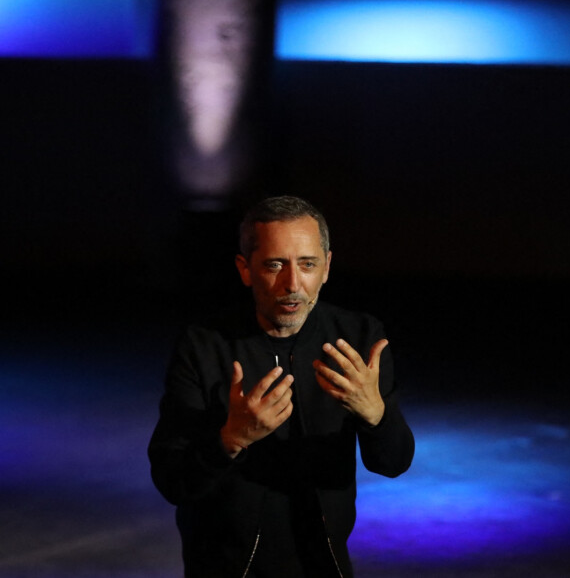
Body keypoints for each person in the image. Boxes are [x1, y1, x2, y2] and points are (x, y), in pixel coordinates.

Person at [148, 196, 415, 577]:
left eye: (308, 264)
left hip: (323, 566)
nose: (293, 284)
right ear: (245, 269)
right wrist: (231, 439)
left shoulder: (357, 338)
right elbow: (172, 480)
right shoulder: (205, 346)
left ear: (326, 268)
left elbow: (394, 462)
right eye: (275, 265)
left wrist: (377, 417)